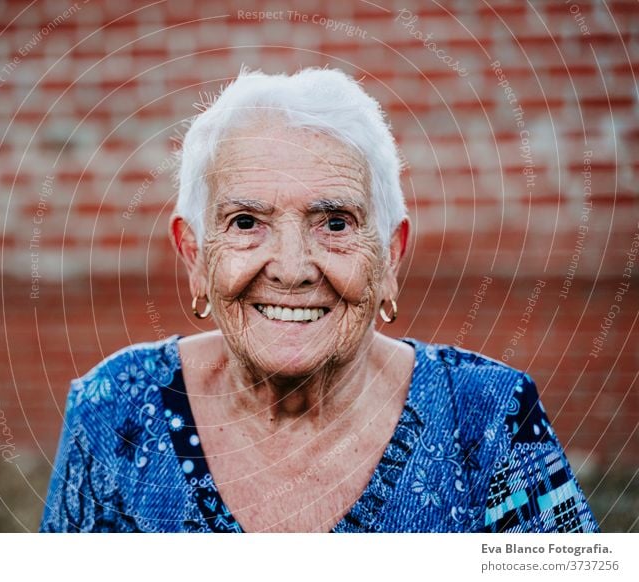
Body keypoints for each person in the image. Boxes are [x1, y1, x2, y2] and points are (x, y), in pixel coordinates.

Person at [39, 67, 599, 533]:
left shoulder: (487, 416)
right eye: (246, 221)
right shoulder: (114, 409)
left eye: (335, 222)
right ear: (195, 257)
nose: (291, 269)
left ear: (389, 259)